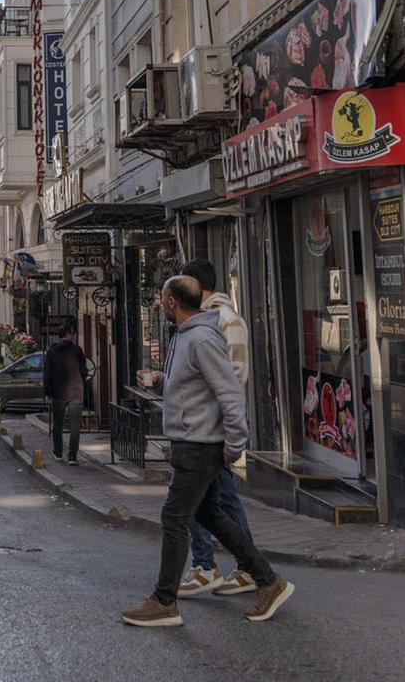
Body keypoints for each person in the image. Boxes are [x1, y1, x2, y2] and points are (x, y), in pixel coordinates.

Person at [120, 276, 293, 628]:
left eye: (162, 297)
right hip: (191, 441)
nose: (160, 301)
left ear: (172, 302)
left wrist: (235, 444)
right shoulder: (186, 337)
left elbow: (229, 392)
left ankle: (164, 601)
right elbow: (192, 386)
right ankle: (268, 580)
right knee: (210, 515)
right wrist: (158, 380)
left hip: (200, 445)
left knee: (174, 517)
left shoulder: (200, 338)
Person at [176, 258, 258, 597]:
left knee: (209, 498)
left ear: (196, 286)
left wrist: (227, 433)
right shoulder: (204, 320)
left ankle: (219, 566)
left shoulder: (225, 321)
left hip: (212, 429)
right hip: (200, 428)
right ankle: (229, 566)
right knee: (215, 498)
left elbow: (232, 381)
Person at [42, 323, 90, 465]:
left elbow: (47, 374)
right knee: (75, 425)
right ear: (68, 334)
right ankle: (72, 456)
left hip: (58, 392)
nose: (73, 336)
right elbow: (84, 371)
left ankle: (58, 451)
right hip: (76, 391)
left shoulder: (51, 352)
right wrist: (82, 382)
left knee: (58, 423)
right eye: (72, 333)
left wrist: (48, 393)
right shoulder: (77, 350)